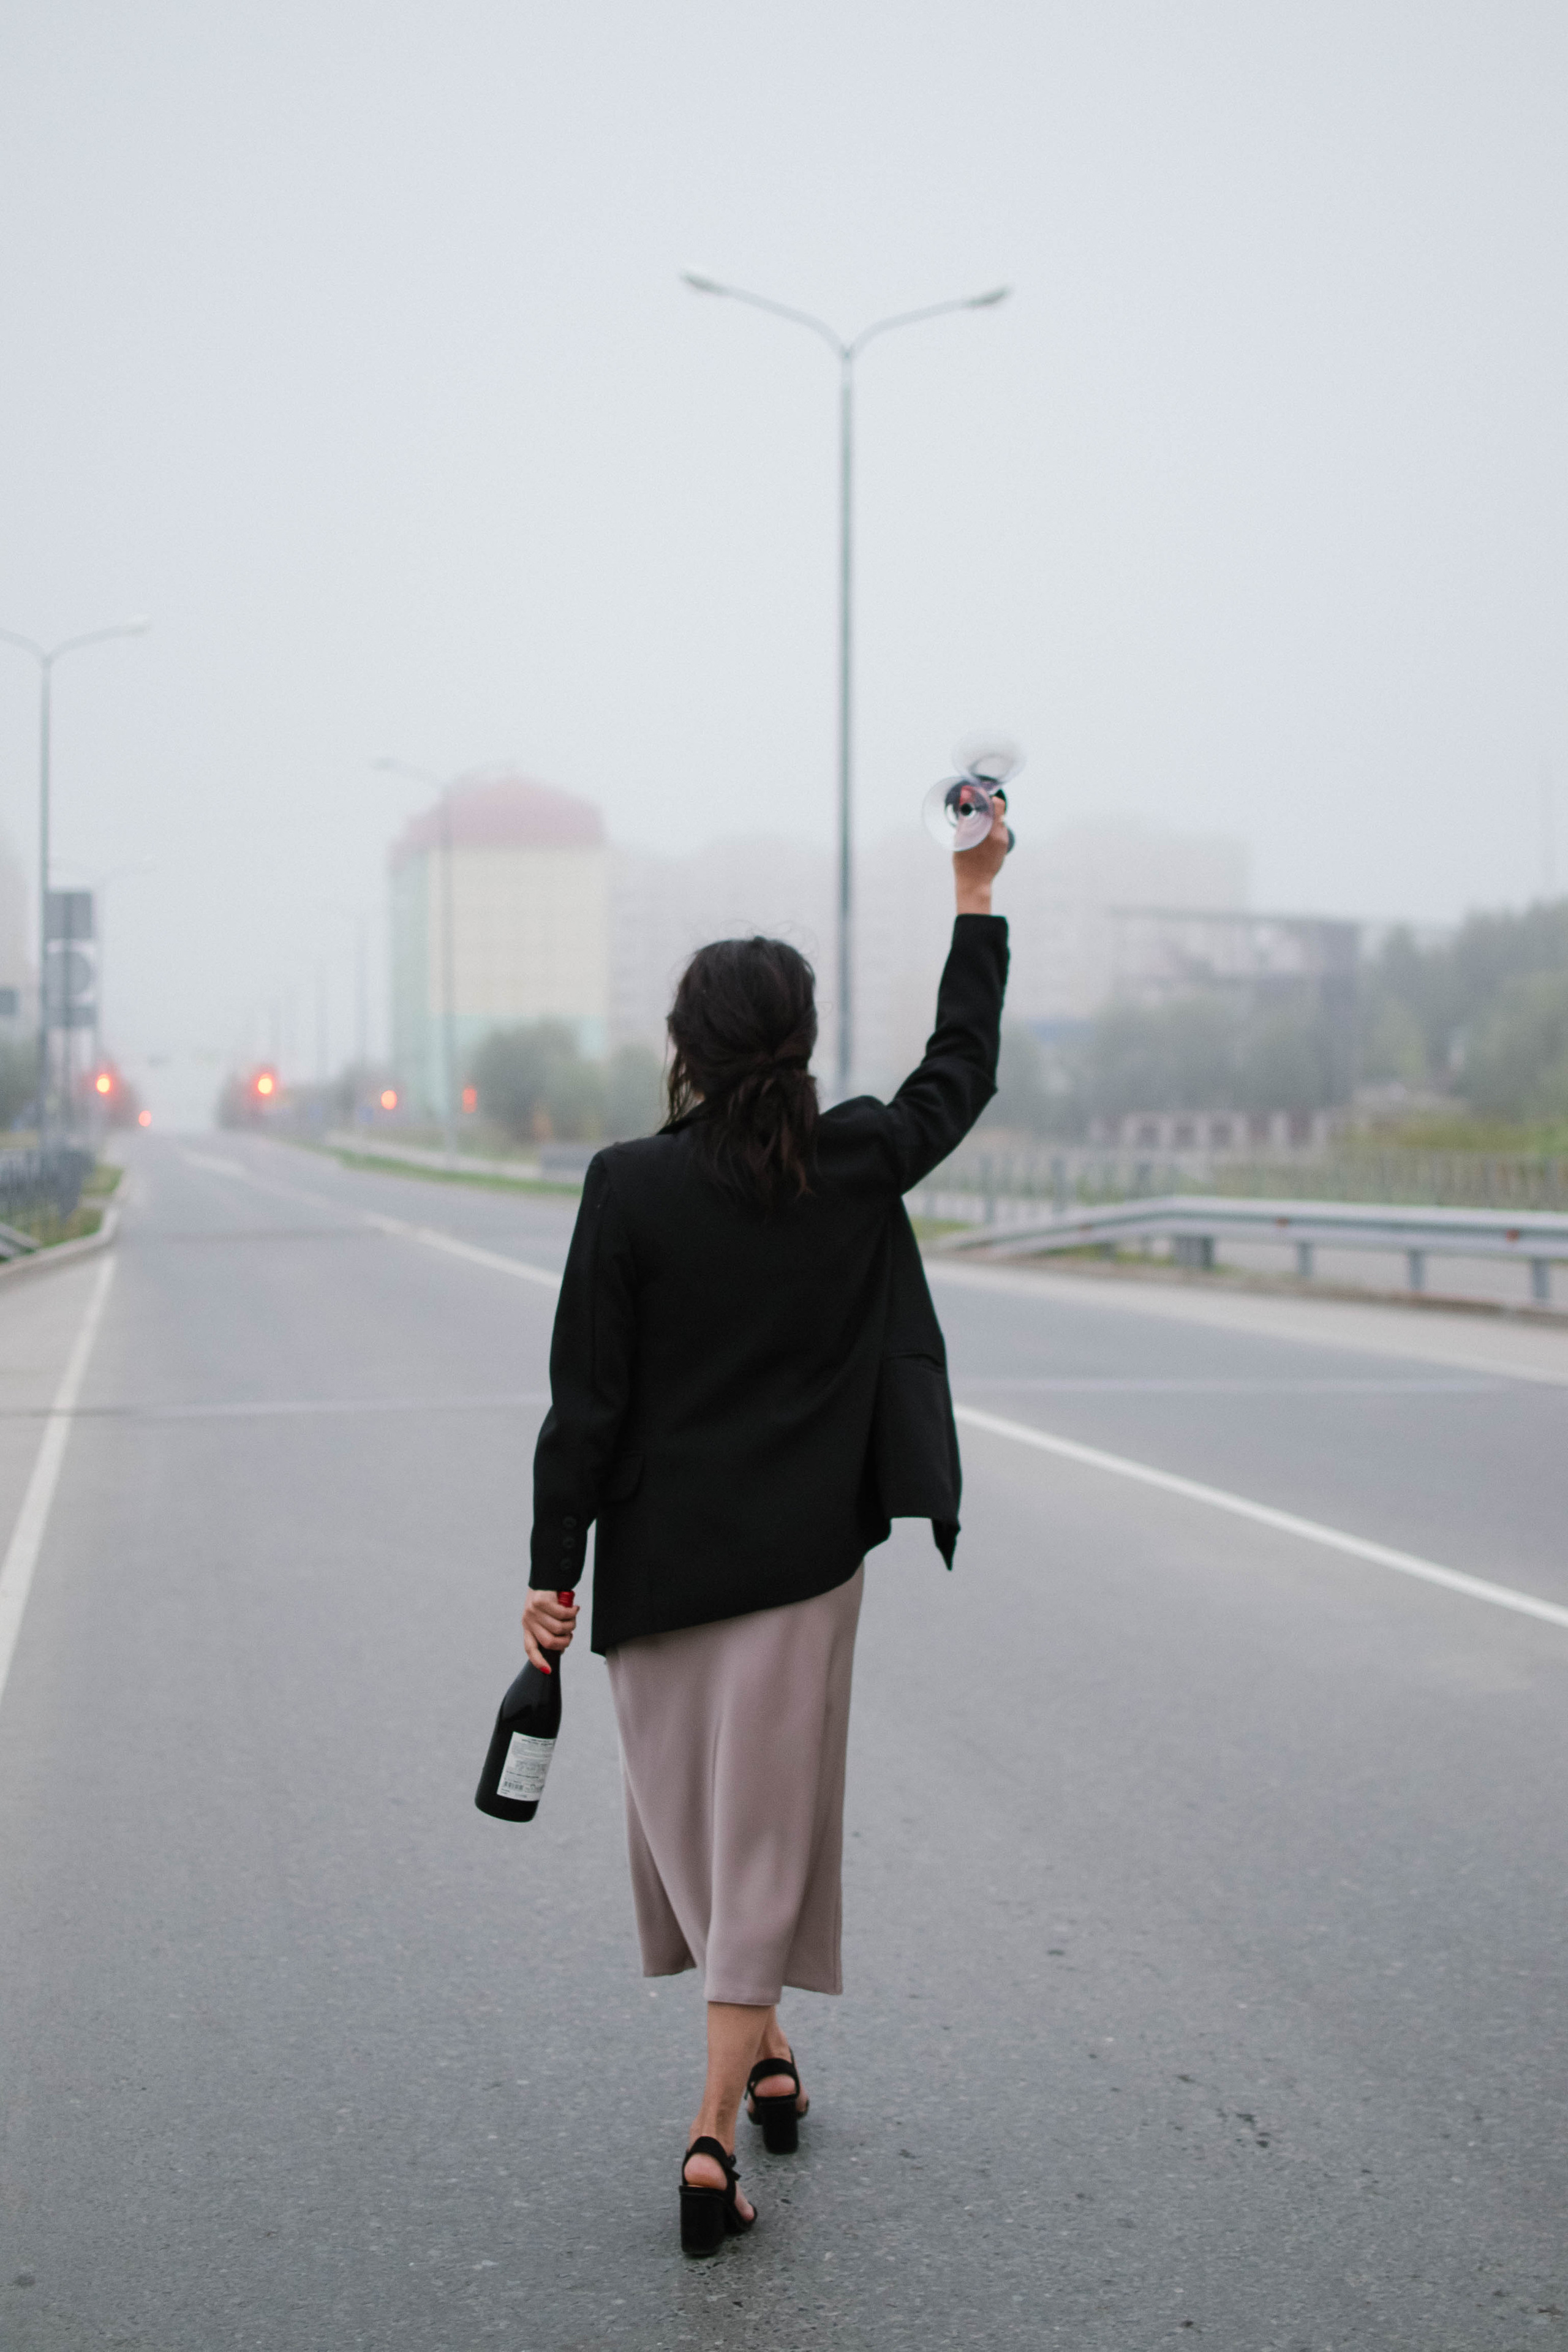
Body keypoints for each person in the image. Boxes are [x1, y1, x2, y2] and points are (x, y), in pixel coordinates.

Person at [521, 797, 1011, 2255]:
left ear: (684, 1045)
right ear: (798, 1045)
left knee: (706, 1839)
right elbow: (957, 1071)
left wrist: (550, 1578)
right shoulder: (848, 1161)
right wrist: (973, 893)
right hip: (801, 1574)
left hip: (658, 1576)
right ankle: (733, 2106)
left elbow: (583, 1405)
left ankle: (726, 2113)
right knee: (754, 1842)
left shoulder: (626, 1186)